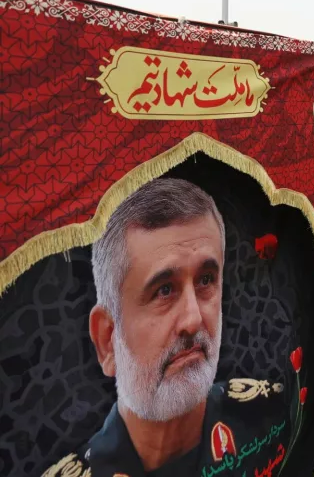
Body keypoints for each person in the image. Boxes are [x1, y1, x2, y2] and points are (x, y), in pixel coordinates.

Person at [43, 179, 288, 476]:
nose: (193, 319)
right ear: (108, 340)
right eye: (164, 290)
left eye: (206, 280)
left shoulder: (269, 417)